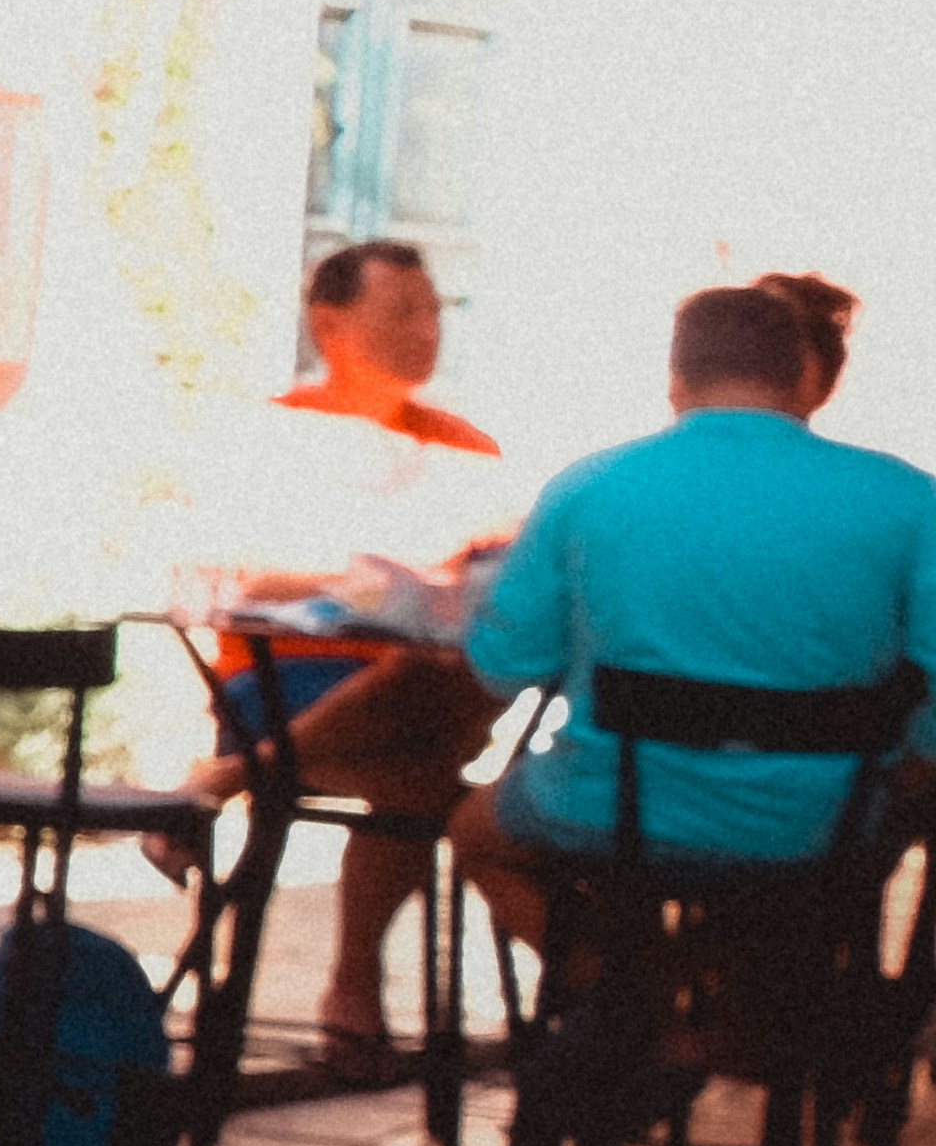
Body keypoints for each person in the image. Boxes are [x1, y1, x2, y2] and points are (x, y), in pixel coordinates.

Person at [447, 272, 936, 968]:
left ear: (676, 379)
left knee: (476, 833)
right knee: (813, 880)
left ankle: (629, 998)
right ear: (803, 375)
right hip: (819, 825)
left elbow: (504, 665)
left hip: (613, 809)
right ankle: (729, 1001)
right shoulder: (910, 499)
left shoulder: (590, 486)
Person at [177, 238, 517, 1072]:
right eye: (402, 312)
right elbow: (231, 571)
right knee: (424, 771)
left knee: (457, 677)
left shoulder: (467, 447)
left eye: (434, 312)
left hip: (427, 683)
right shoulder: (275, 432)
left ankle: (227, 779)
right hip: (288, 674)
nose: (426, 330)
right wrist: (372, 581)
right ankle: (353, 984)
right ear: (330, 325)